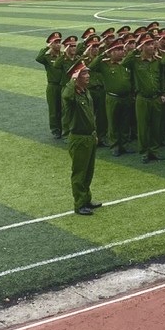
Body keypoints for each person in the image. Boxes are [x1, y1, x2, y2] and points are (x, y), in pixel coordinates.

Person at [62, 60, 101, 215]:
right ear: (76, 76)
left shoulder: (85, 91)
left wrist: (94, 133)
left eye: (87, 72)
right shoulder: (71, 94)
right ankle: (79, 204)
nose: (88, 75)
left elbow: (90, 115)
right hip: (78, 139)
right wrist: (72, 79)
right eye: (84, 73)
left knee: (88, 172)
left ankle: (86, 199)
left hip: (89, 137)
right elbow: (67, 95)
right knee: (79, 173)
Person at [122, 34, 165, 163]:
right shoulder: (136, 61)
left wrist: (163, 93)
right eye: (148, 44)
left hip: (156, 98)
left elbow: (162, 78)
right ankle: (144, 152)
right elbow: (124, 63)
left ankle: (154, 150)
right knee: (143, 127)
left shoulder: (157, 61)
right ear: (142, 46)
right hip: (142, 98)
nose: (151, 46)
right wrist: (136, 49)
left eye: (152, 44)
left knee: (156, 126)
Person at [88, 39, 134, 156]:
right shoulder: (105, 64)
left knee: (125, 122)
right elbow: (91, 67)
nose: (121, 51)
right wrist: (103, 53)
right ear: (111, 52)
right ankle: (115, 146)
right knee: (113, 123)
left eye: (122, 49)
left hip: (126, 97)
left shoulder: (126, 63)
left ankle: (124, 144)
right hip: (113, 98)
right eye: (118, 50)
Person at [35, 31, 64, 138]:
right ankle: (55, 130)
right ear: (51, 44)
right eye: (55, 42)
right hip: (53, 86)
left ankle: (64, 128)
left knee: (64, 109)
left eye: (59, 42)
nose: (58, 44)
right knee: (54, 109)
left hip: (63, 85)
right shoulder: (47, 57)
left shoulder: (63, 55)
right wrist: (47, 47)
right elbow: (38, 58)